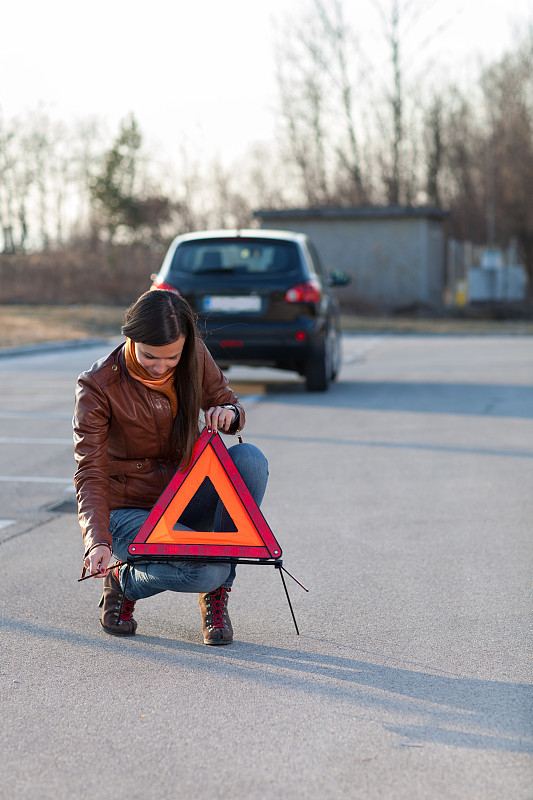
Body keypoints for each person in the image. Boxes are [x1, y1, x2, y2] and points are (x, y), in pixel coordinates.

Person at [73, 289, 268, 645]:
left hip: (184, 493)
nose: (161, 367)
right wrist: (98, 541)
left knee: (250, 460)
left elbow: (229, 403)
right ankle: (124, 580)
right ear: (129, 337)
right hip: (131, 510)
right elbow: (90, 471)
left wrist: (229, 415)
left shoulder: (194, 356)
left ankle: (217, 596)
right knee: (207, 572)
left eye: (171, 358)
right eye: (149, 356)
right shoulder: (97, 386)